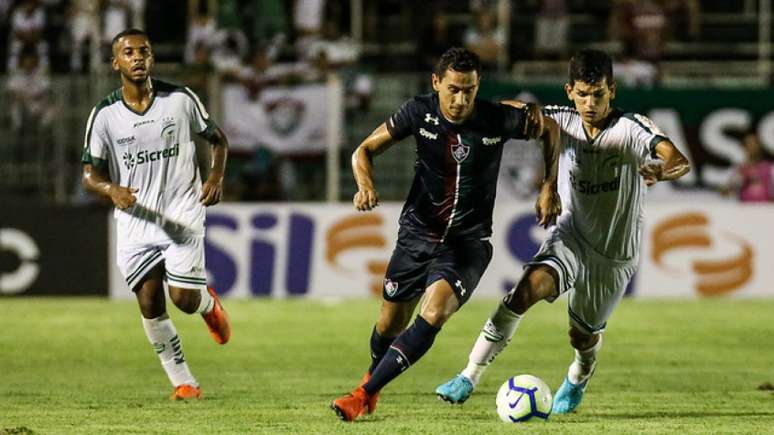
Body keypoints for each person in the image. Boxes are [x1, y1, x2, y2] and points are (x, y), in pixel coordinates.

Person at [435, 49, 690, 414]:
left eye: (598, 94)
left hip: (614, 254)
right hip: (570, 236)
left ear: (612, 91)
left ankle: (579, 375)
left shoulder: (632, 129)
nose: (590, 103)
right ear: (569, 90)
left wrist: (660, 172)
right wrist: (468, 106)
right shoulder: (561, 121)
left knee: (582, 335)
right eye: (583, 94)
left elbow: (678, 160)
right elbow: (505, 112)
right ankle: (469, 375)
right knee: (523, 292)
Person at [330, 47, 562, 422]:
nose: (460, 99)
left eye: (469, 90)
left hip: (467, 245)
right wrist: (364, 186)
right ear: (437, 83)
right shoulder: (417, 112)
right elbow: (364, 150)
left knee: (434, 312)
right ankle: (374, 376)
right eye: (453, 89)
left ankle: (362, 394)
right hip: (416, 236)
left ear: (478, 86)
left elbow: (548, 127)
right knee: (388, 324)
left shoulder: (495, 118)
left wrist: (549, 186)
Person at [81, 28, 232, 400]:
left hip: (181, 209)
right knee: (149, 302)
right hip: (136, 217)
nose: (136, 57)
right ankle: (185, 383)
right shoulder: (104, 116)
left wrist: (215, 175)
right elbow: (89, 175)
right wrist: (110, 189)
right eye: (128, 52)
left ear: (152, 58)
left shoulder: (180, 99)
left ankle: (207, 304)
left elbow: (217, 139)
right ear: (116, 62)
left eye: (143, 51)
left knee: (182, 299)